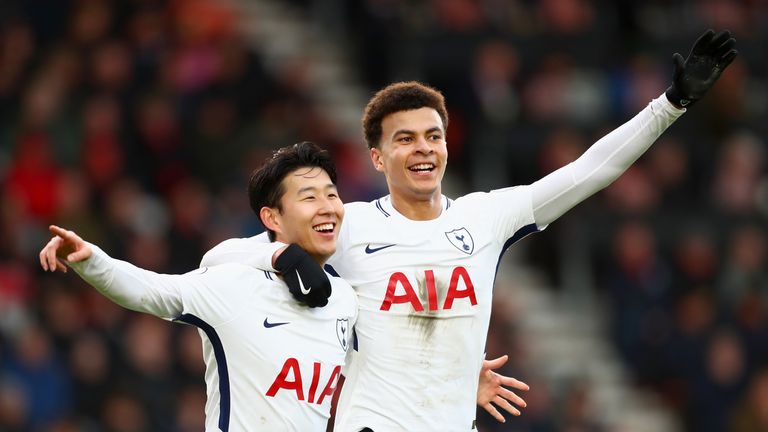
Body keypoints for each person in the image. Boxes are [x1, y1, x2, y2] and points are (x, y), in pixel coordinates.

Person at [201, 30, 738, 431]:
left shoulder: (484, 218)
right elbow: (219, 260)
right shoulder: (350, 223)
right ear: (377, 156)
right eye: (405, 138)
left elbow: (590, 171)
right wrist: (281, 257)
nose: (423, 149)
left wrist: (671, 105)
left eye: (433, 135)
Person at [39, 142, 359, 431]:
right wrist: (91, 259)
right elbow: (151, 291)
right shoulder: (235, 285)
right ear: (272, 218)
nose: (327, 206)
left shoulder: (345, 299)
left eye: (331, 194)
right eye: (309, 197)